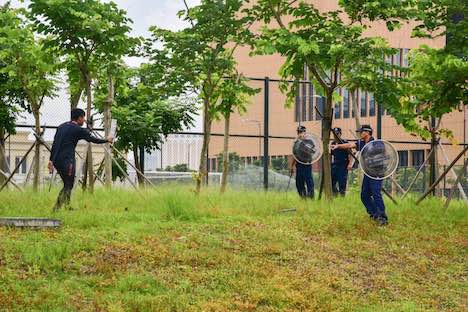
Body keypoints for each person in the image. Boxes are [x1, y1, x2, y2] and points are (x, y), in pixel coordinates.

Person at [49, 108, 113, 211]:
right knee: (68, 184)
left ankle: (67, 206)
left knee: (67, 182)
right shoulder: (77, 129)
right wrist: (106, 140)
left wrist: (51, 160)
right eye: (83, 118)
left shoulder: (61, 127)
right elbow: (92, 139)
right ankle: (56, 208)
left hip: (57, 160)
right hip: (67, 160)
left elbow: (55, 143)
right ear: (79, 118)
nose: (84, 120)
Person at [331, 125, 388, 225]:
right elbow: (349, 145)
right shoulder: (361, 143)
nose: (359, 134)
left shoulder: (377, 143)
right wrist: (338, 146)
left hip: (377, 172)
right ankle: (374, 214)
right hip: (368, 173)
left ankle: (382, 217)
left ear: (367, 132)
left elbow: (383, 156)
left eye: (361, 132)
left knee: (376, 193)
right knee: (364, 195)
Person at [291, 125, 314, 199]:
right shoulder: (296, 143)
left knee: (309, 183)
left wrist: (302, 142)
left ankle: (311, 198)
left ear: (305, 132)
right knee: (299, 183)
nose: (300, 134)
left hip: (307, 165)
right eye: (299, 132)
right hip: (299, 165)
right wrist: (292, 166)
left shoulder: (309, 141)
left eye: (302, 132)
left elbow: (311, 151)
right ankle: (303, 198)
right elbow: (295, 155)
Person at [330, 127, 353, 196]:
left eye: (337, 134)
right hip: (335, 164)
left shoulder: (344, 143)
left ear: (340, 134)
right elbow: (331, 155)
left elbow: (350, 154)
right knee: (331, 182)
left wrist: (350, 164)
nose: (336, 135)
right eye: (334, 134)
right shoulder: (333, 143)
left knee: (342, 183)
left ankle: (342, 196)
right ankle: (335, 194)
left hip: (343, 165)